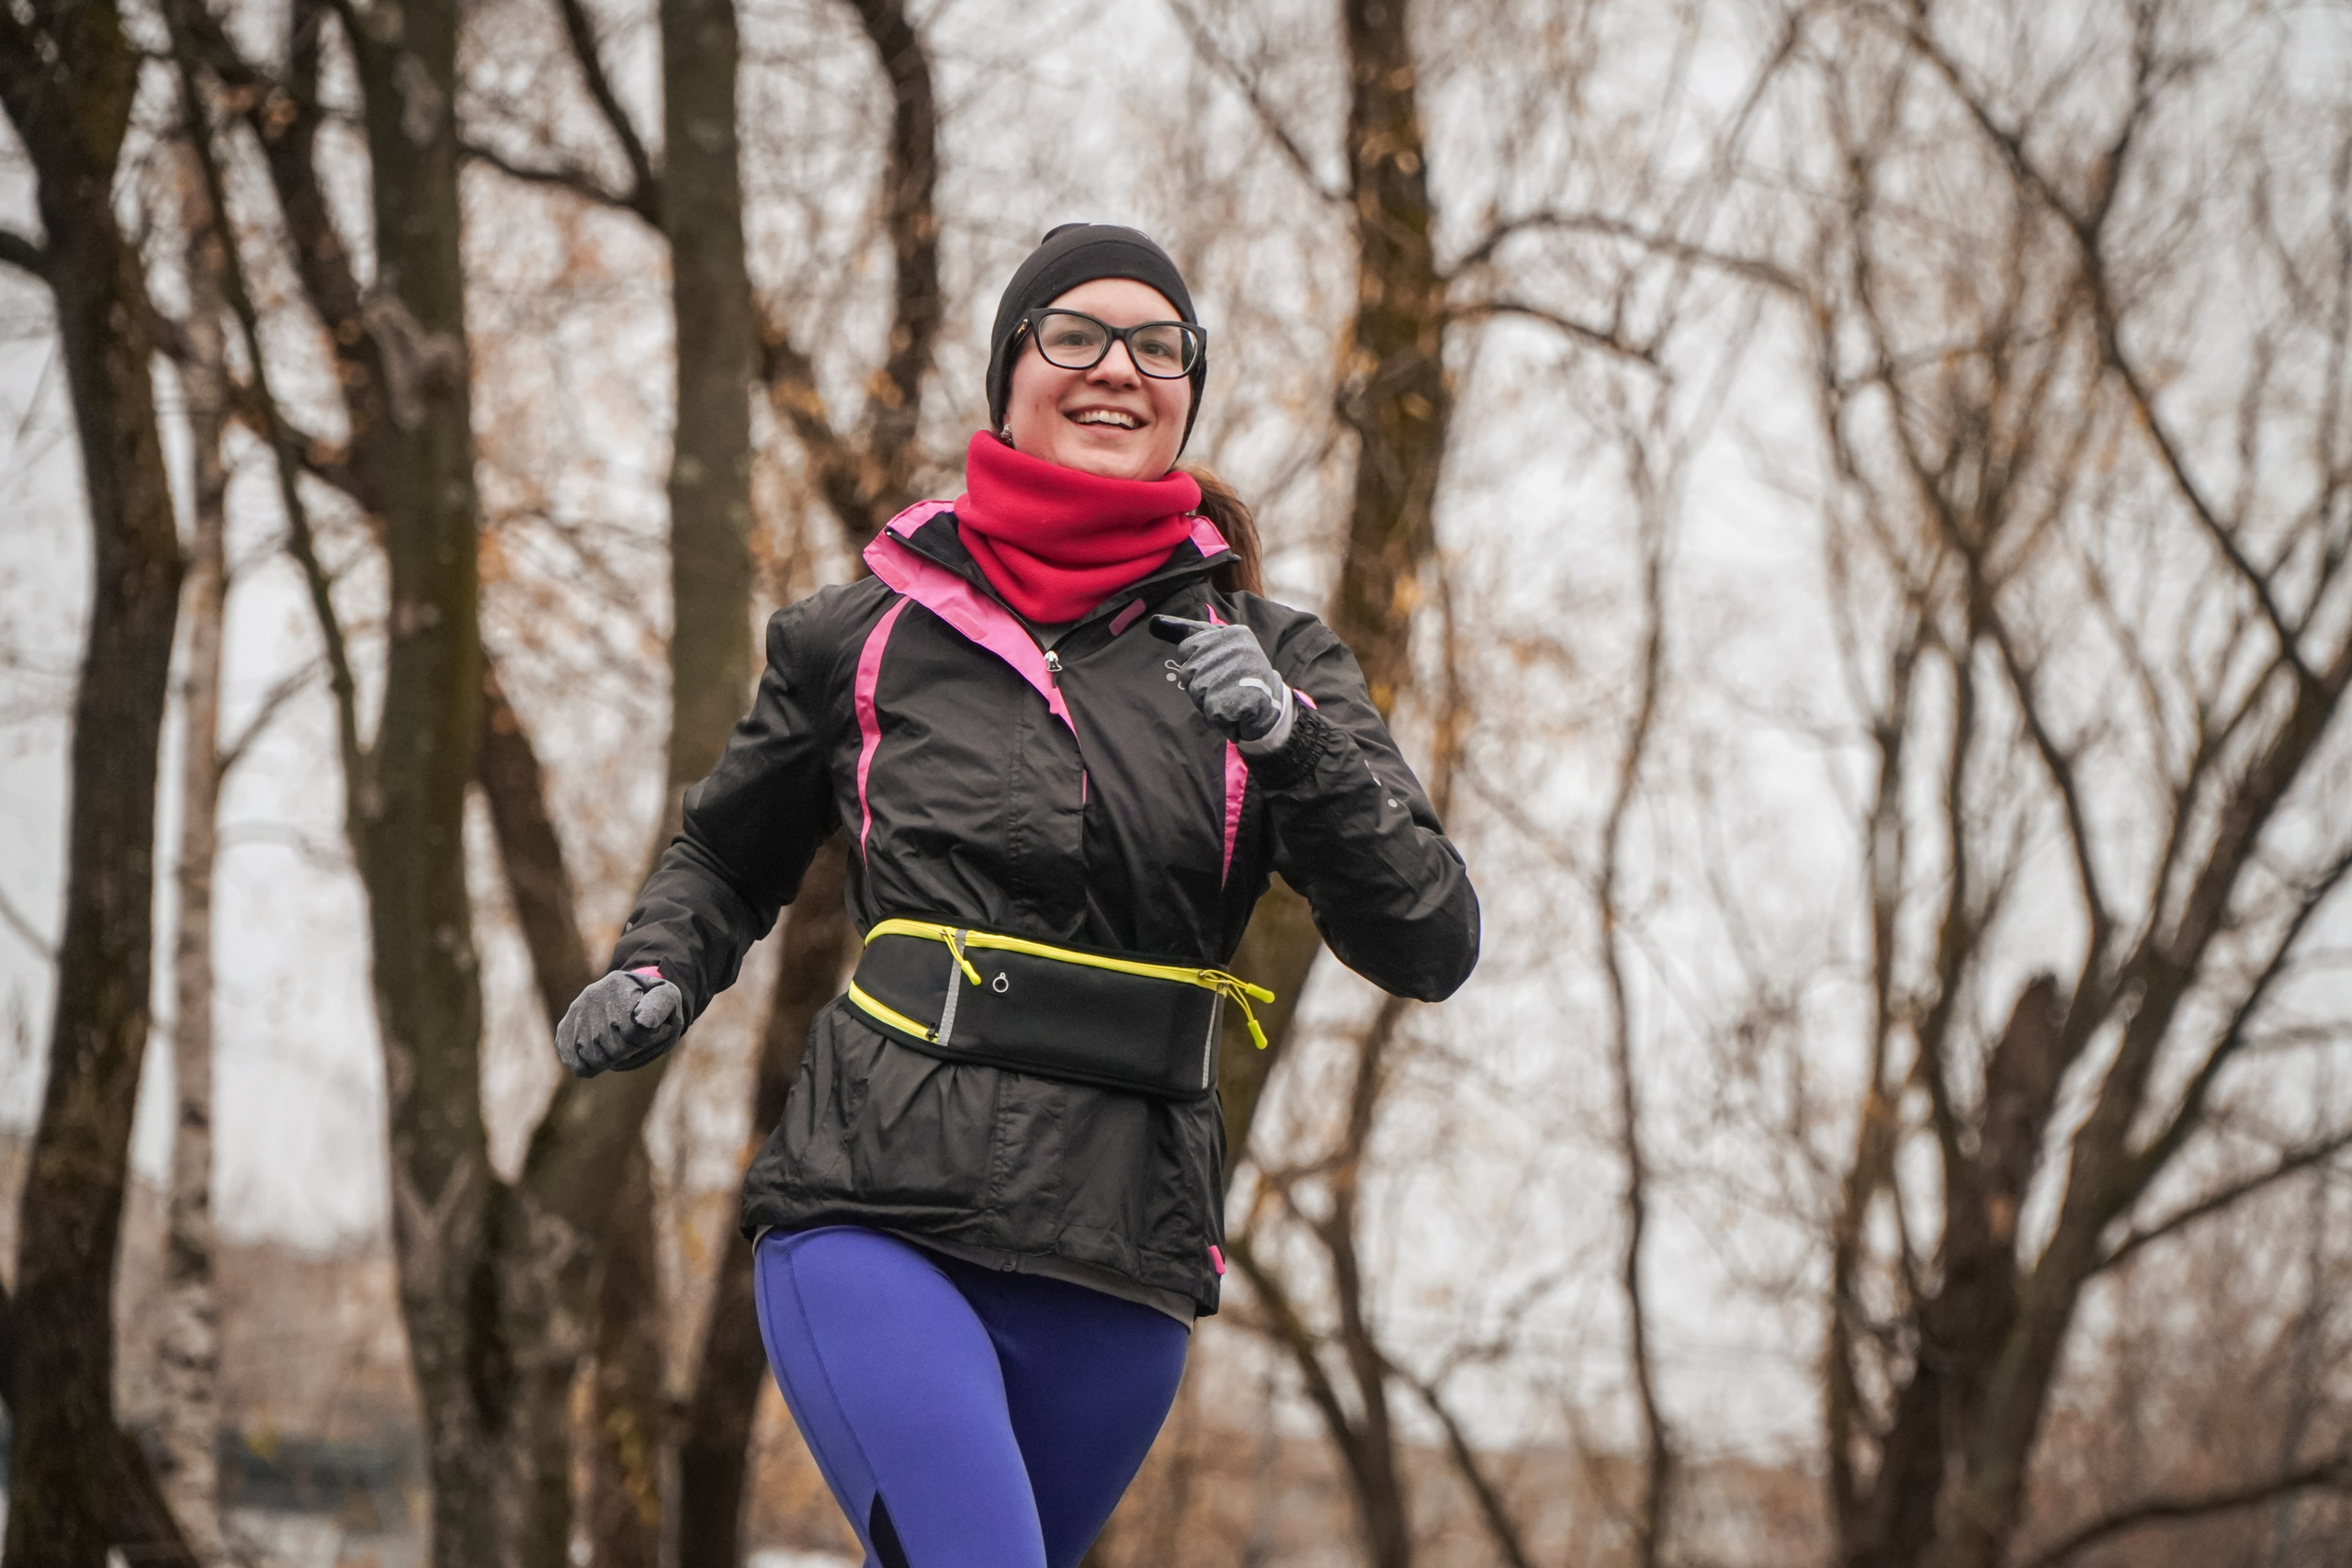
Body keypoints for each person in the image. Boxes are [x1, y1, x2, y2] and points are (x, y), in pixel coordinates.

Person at [554, 223, 1478, 1568]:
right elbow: (722, 857)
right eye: (1076, 334)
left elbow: (1432, 937)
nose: (1119, 367)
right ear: (1010, 372)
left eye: (1159, 347)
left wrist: (1293, 744)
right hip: (877, 1215)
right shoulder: (865, 630)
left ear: (1188, 395)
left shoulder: (1276, 661)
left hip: (1122, 1259)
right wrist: (660, 966)